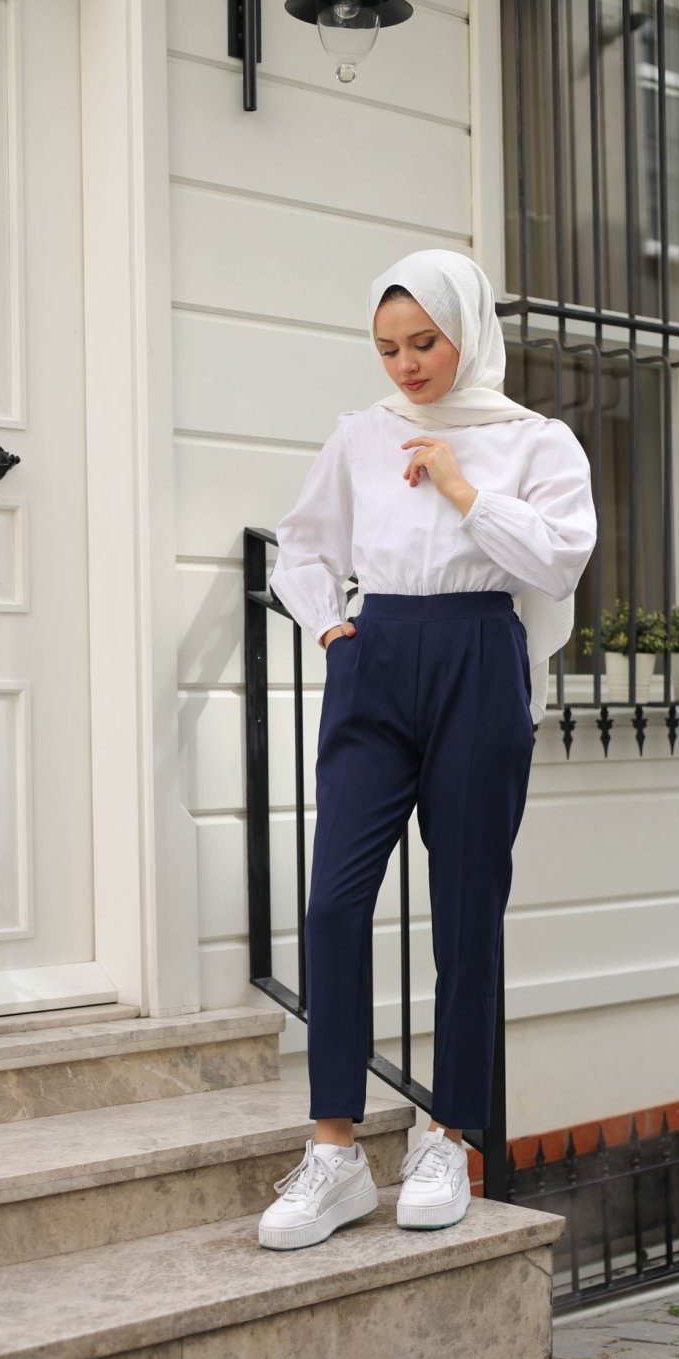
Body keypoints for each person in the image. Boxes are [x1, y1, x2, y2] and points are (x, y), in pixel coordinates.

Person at [258, 248, 597, 1251]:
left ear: (468, 333)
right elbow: (303, 545)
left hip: (478, 661)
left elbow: (558, 559)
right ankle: (334, 1151)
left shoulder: (533, 441)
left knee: (465, 909)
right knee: (333, 898)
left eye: (424, 343)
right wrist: (332, 629)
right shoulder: (360, 435)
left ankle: (448, 1136)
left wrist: (461, 487)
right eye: (388, 347)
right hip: (376, 658)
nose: (405, 365)